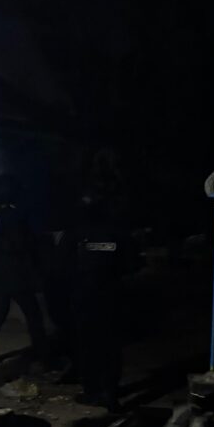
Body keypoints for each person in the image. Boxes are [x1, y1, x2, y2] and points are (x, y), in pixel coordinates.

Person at [67, 152, 133, 411]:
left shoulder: (79, 232)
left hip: (86, 295)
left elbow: (63, 263)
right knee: (110, 345)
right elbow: (130, 262)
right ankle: (109, 393)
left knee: (89, 345)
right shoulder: (117, 231)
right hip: (110, 293)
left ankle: (93, 390)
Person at [0, 174, 50, 368]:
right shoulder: (11, 213)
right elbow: (18, 243)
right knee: (32, 314)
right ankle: (44, 355)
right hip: (15, 272)